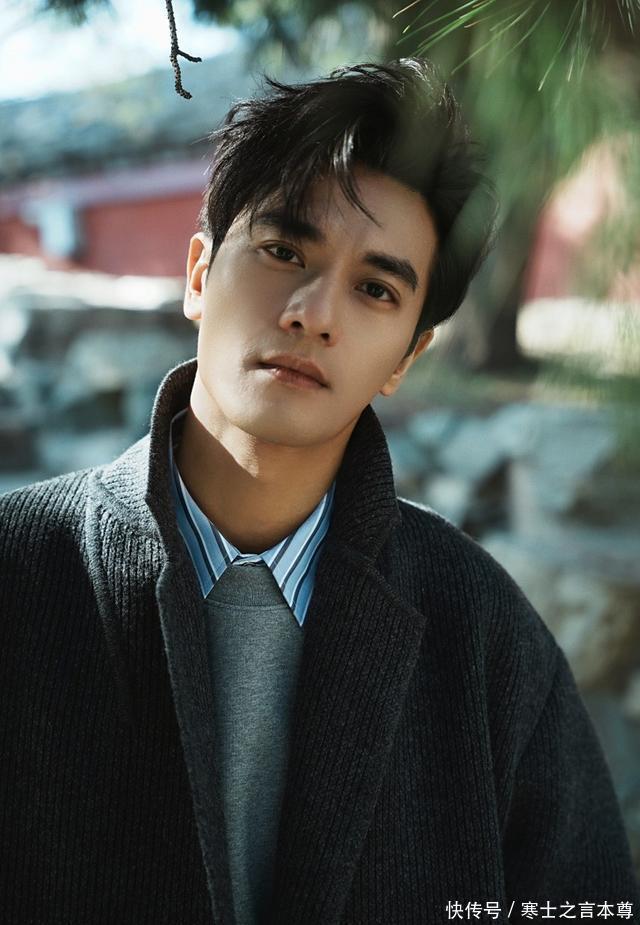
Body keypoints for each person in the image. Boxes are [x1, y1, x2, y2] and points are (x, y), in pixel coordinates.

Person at [1, 58, 638, 925]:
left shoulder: (480, 628)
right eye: (283, 250)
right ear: (198, 275)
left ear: (407, 356)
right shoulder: (19, 567)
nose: (314, 312)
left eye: (376, 288)